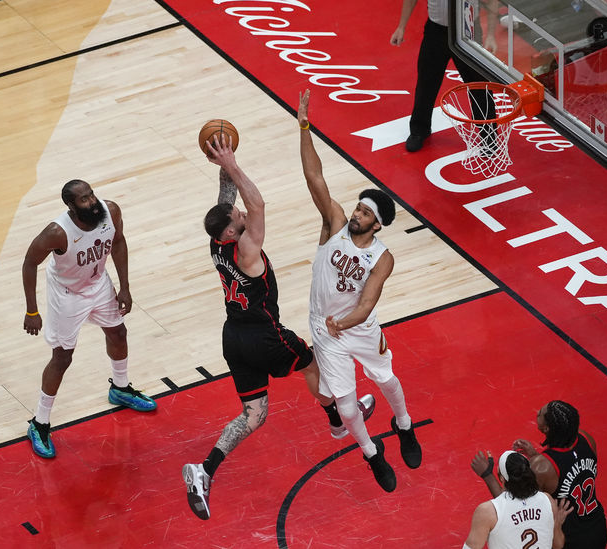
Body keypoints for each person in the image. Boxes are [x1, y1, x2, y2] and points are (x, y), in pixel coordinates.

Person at [182, 134, 375, 521]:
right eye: (237, 217)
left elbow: (227, 201)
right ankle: (339, 420)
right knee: (313, 365)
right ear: (233, 233)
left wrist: (223, 160)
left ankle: (204, 470)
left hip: (233, 337)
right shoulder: (246, 248)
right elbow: (257, 205)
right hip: (265, 336)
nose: (242, 213)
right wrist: (233, 164)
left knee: (254, 415)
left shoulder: (217, 242)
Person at [297, 89, 422, 493]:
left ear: (377, 224)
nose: (356, 213)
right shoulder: (334, 224)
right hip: (325, 328)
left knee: (387, 379)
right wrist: (304, 127)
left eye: (365, 212)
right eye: (358, 207)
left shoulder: (383, 258)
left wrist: (344, 323)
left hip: (357, 326)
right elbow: (315, 178)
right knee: (347, 405)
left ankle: (404, 425)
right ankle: (371, 453)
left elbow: (367, 305)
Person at [22, 179, 157, 459]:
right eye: (84, 199)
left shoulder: (110, 212)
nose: (92, 202)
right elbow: (29, 262)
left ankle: (120, 388)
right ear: (71, 206)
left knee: (118, 333)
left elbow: (118, 243)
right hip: (67, 294)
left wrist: (125, 287)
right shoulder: (57, 232)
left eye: (91, 195)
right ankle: (39, 423)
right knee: (62, 357)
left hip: (97, 283)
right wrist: (32, 310)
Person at [391, 0, 498, 152]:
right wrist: (401, 27)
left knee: (479, 84)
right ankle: (419, 130)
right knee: (426, 82)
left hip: (468, 31)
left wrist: (491, 35)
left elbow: (492, 1)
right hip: (436, 31)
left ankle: (489, 136)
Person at [512, 401, 607, 548]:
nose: (537, 413)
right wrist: (536, 456)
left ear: (546, 428)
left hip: (568, 538)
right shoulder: (587, 439)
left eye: (540, 414)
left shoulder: (541, 468)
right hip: (597, 528)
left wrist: (487, 475)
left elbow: (519, 508)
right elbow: (574, 469)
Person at [465, 450, 571, 549]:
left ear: (502, 478)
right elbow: (558, 544)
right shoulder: (548, 501)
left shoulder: (487, 511)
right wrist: (556, 522)